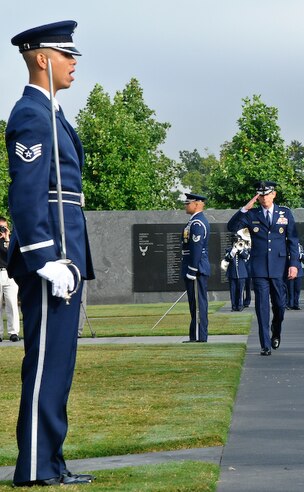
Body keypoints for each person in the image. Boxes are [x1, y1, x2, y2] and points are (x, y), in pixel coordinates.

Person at [6, 20, 95, 486]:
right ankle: (37, 467)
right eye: (66, 55)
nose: (73, 62)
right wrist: (43, 258)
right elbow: (26, 194)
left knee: (58, 366)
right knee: (45, 365)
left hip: (64, 256)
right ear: (42, 58)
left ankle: (50, 463)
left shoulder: (52, 114)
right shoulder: (31, 115)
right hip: (51, 260)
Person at [228, 181, 300, 356]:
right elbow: (231, 227)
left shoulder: (285, 213)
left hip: (279, 266)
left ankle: (276, 330)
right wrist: (244, 209)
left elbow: (293, 241)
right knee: (261, 307)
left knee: (280, 305)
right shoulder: (251, 214)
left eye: (267, 194)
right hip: (259, 267)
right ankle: (265, 344)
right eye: (260, 195)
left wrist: (294, 264)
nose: (264, 198)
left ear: (273, 194)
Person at [181, 193, 210, 342]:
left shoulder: (198, 223)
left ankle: (199, 336)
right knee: (194, 303)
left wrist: (192, 270)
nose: (186, 205)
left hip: (196, 269)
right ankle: (195, 335)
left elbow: (197, 248)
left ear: (197, 204)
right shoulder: (193, 222)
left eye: (188, 203)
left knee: (198, 304)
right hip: (193, 268)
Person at [0, 217, 21, 342]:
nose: (2, 230)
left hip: (9, 274)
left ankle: (13, 332)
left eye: (3, 227)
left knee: (12, 304)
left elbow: (13, 254)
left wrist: (7, 238)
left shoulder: (11, 239)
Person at [223, 231, 250, 312]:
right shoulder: (229, 250)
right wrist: (232, 252)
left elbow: (246, 256)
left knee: (240, 290)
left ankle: (240, 305)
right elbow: (227, 259)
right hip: (232, 273)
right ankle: (234, 306)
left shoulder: (244, 249)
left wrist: (240, 250)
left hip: (242, 273)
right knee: (233, 290)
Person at [287, 244, 304, 310]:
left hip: (299, 271)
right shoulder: (287, 246)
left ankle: (296, 304)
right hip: (289, 270)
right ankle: (289, 304)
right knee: (290, 289)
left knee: (297, 289)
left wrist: (301, 255)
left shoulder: (300, 246)